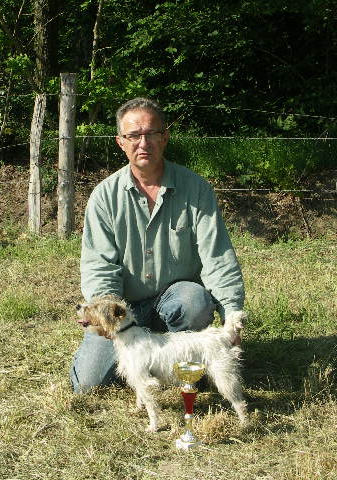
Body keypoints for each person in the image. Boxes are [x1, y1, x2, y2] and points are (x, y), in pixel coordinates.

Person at [70, 97, 245, 393]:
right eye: (133, 136)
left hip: (176, 303)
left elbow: (217, 256)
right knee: (89, 383)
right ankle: (155, 360)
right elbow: (98, 265)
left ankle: (178, 360)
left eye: (151, 133)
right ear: (120, 142)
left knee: (194, 301)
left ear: (165, 137)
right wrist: (107, 312)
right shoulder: (104, 197)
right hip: (124, 312)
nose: (143, 143)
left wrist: (231, 314)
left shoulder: (196, 189)